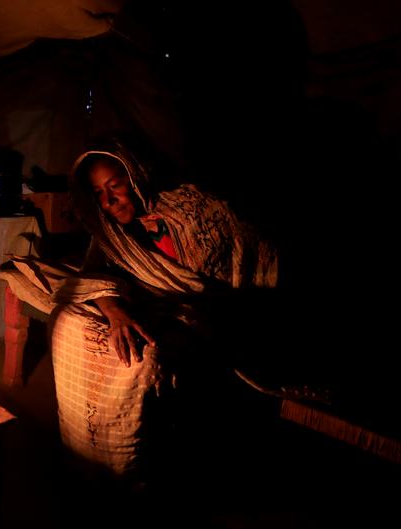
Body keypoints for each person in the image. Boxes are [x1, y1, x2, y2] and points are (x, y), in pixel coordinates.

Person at [43, 137, 279, 488]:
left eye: (115, 186)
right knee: (67, 320)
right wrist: (115, 311)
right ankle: (87, 453)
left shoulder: (198, 214)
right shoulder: (111, 230)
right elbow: (93, 275)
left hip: (213, 311)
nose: (108, 201)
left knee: (142, 356)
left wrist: (164, 307)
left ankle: (131, 468)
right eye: (97, 194)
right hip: (148, 303)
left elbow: (232, 279)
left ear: (135, 176)